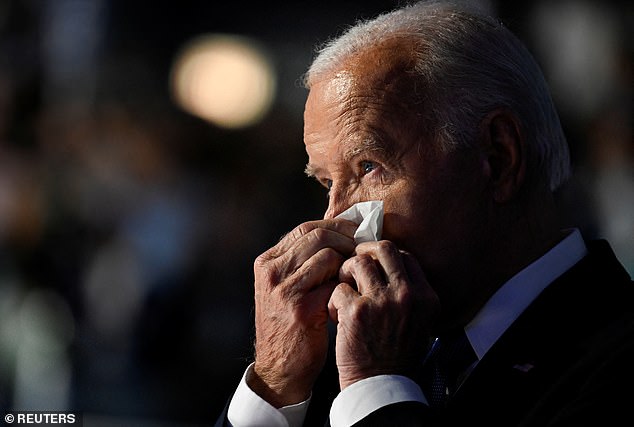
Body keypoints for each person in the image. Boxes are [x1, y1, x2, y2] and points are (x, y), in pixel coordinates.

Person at [215, 0, 634, 425]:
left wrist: (375, 387)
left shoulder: (615, 358)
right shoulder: (329, 362)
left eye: (368, 167)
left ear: (498, 156)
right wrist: (274, 384)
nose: (336, 218)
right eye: (326, 183)